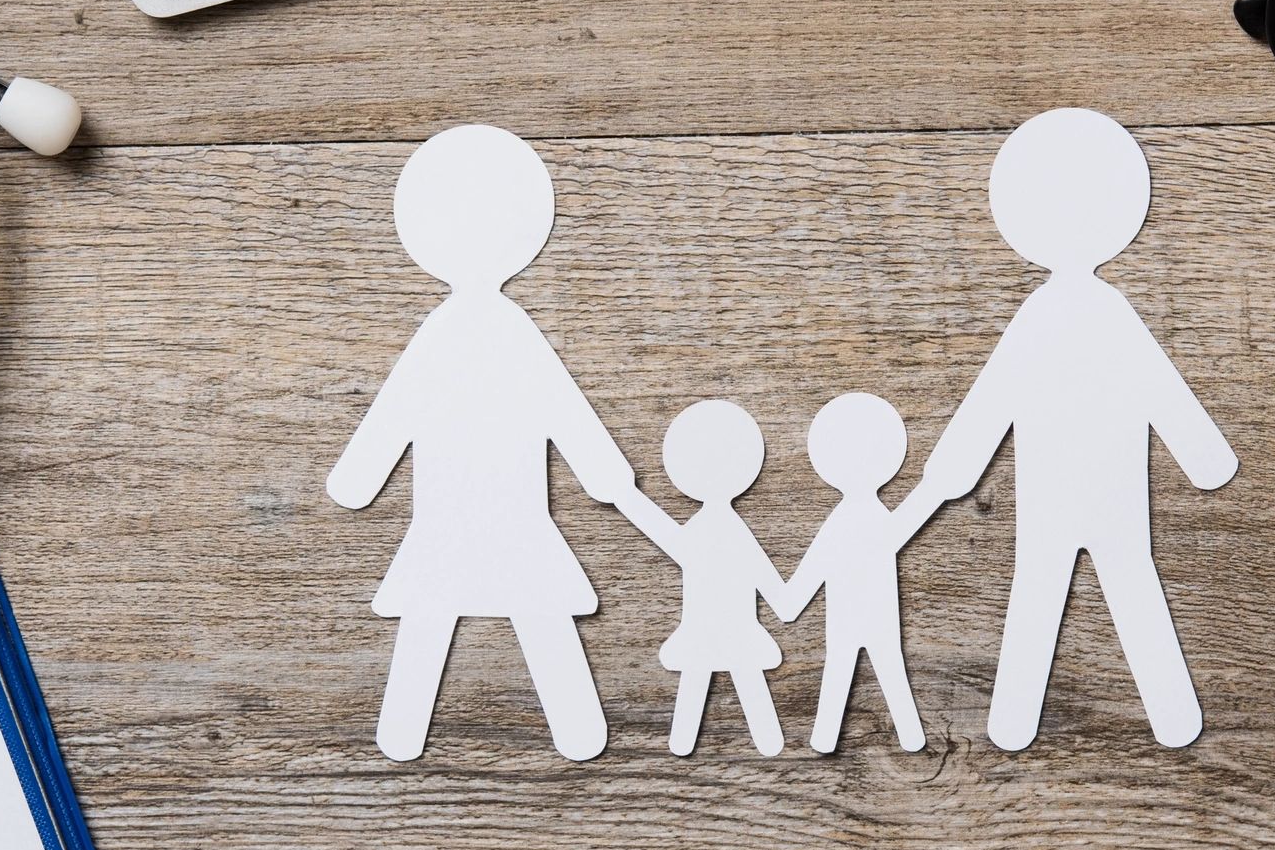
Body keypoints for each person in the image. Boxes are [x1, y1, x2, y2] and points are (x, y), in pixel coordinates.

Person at [899, 109, 1237, 751]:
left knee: (1058, 581)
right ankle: (1150, 719)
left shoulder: (1060, 311)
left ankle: (1021, 721)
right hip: (1086, 489)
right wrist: (1204, 457)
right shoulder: (1091, 309)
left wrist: (953, 470)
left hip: (1073, 490)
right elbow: (1144, 385)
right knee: (1114, 578)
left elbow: (1001, 395)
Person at [327, 125, 634, 762]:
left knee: (455, 602)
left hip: (492, 515)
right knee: (465, 602)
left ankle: (425, 733)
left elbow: (552, 404)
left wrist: (358, 477)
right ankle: (558, 731)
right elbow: (406, 407)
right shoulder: (478, 330)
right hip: (479, 516)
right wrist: (604, 472)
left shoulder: (480, 330)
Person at [619, 400, 789, 756]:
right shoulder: (725, 530)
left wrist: (628, 499)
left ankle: (696, 742)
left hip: (720, 629)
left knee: (714, 671)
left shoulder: (716, 530)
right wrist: (626, 498)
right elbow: (770, 585)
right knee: (726, 672)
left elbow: (668, 537)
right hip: (726, 629)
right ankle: (754, 741)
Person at [779, 392, 928, 753]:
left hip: (852, 620)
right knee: (882, 669)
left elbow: (808, 577)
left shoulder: (843, 521)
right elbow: (911, 519)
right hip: (871, 620)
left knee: (848, 669)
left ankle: (830, 737)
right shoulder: (873, 518)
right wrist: (932, 490)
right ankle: (906, 735)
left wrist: (787, 600)